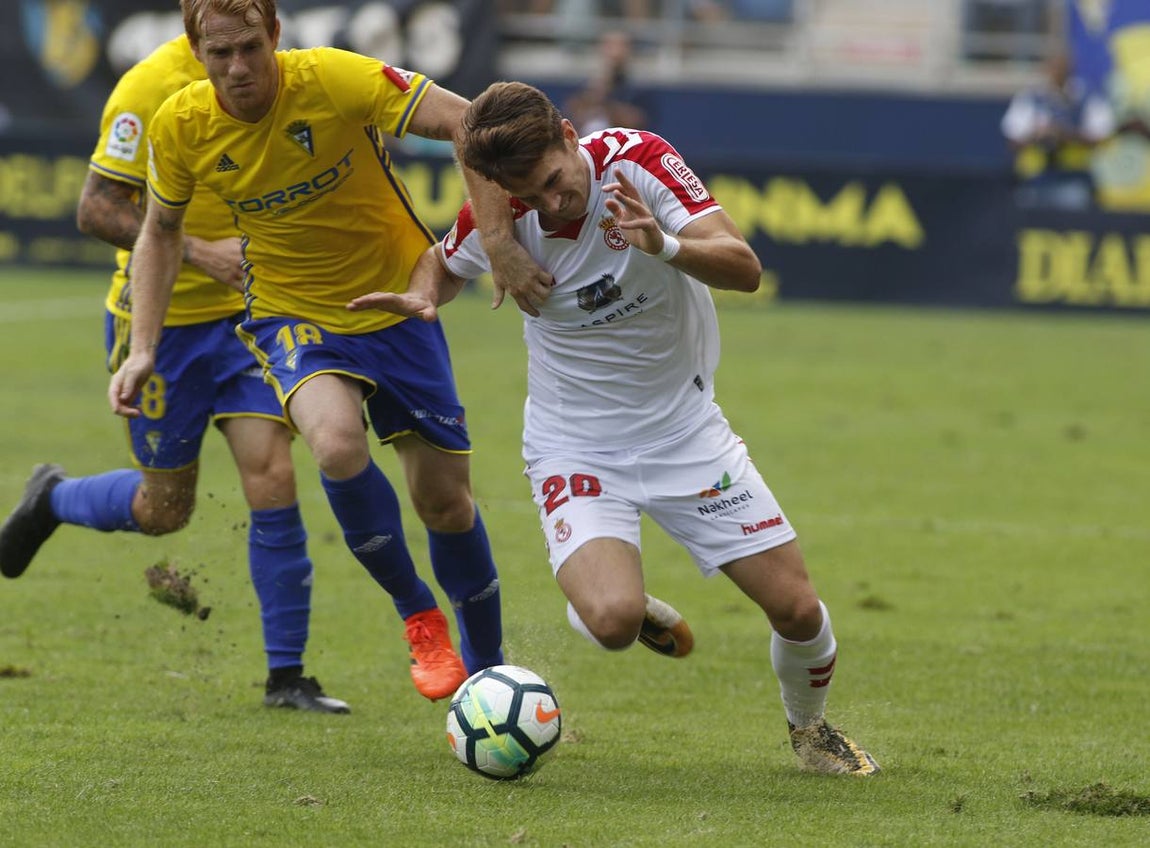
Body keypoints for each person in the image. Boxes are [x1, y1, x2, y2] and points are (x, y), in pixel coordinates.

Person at [350, 81, 880, 775]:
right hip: (575, 443)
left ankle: (810, 734)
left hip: (685, 434)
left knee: (798, 610)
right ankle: (618, 600)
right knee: (612, 624)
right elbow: (442, 266)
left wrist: (663, 244)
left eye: (554, 182)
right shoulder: (503, 218)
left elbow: (745, 269)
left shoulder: (638, 162)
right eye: (529, 196)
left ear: (571, 137)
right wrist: (424, 294)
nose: (550, 203)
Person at [105, 0, 548, 703]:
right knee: (336, 446)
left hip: (399, 304)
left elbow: (473, 126)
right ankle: (419, 617)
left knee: (445, 503)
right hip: (292, 314)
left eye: (250, 47)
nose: (238, 67)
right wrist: (143, 348)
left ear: (275, 35)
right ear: (197, 52)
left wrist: (495, 241)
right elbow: (158, 233)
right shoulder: (180, 125)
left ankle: (490, 673)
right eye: (219, 54)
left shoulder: (337, 79)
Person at [0, 33, 348, 714]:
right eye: (223, 41)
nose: (241, 58)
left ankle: (287, 678)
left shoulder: (289, 76)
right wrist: (200, 253)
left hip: (251, 319)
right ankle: (54, 499)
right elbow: (97, 209)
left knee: (272, 474)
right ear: (196, 28)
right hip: (165, 324)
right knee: (164, 511)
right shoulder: (149, 85)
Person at [1001, 50, 1115, 210]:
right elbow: (1013, 140)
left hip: (1074, 179)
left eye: (1062, 67)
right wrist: (1037, 134)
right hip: (1034, 179)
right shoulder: (1031, 98)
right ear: (1046, 69)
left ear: (1071, 69)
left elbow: (1101, 137)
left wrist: (1064, 135)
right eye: (1053, 67)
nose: (1057, 71)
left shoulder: (1086, 97)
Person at [564, 31, 650, 135]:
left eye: (621, 46)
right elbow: (572, 115)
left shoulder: (638, 87)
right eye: (610, 46)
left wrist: (606, 102)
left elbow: (637, 123)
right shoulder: (588, 84)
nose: (615, 52)